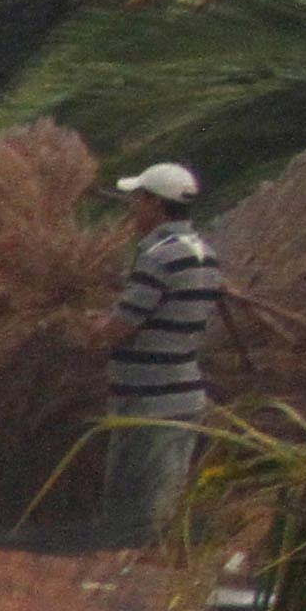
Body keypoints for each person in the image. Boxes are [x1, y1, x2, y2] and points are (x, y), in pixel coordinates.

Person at [82, 161, 219, 549]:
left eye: (137, 200)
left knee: (139, 513)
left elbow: (123, 328)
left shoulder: (158, 256)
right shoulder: (205, 253)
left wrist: (93, 329)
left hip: (151, 399)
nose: (132, 209)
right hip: (183, 393)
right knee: (162, 501)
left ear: (155, 205)